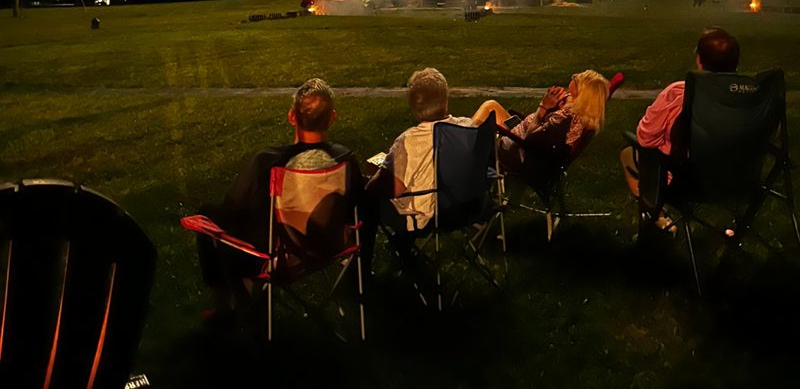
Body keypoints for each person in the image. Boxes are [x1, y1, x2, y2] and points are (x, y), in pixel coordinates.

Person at [196, 77, 362, 313]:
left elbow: (232, 208)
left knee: (208, 216)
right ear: (332, 118)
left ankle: (228, 304)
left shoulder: (269, 162)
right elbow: (356, 204)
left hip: (282, 257)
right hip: (331, 246)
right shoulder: (344, 158)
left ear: (292, 116)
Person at [620, 27, 740, 205]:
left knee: (628, 153)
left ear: (699, 60)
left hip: (684, 182)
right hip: (736, 182)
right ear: (735, 63)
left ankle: (655, 218)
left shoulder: (678, 94)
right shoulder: (751, 99)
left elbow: (646, 138)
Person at [365, 67, 474, 233]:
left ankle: (377, 253)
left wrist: (375, 178)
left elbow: (392, 189)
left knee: (367, 200)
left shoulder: (408, 142)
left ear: (414, 107)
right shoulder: (467, 127)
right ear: (445, 101)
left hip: (425, 218)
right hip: (466, 207)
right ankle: (403, 247)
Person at [472, 70, 610, 185]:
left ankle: (464, 147)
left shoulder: (562, 120)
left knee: (472, 134)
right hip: (523, 139)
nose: (573, 77)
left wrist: (544, 107)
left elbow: (529, 140)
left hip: (516, 151)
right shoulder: (581, 116)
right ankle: (467, 136)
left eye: (577, 78)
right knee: (491, 105)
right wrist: (557, 106)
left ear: (582, 91)